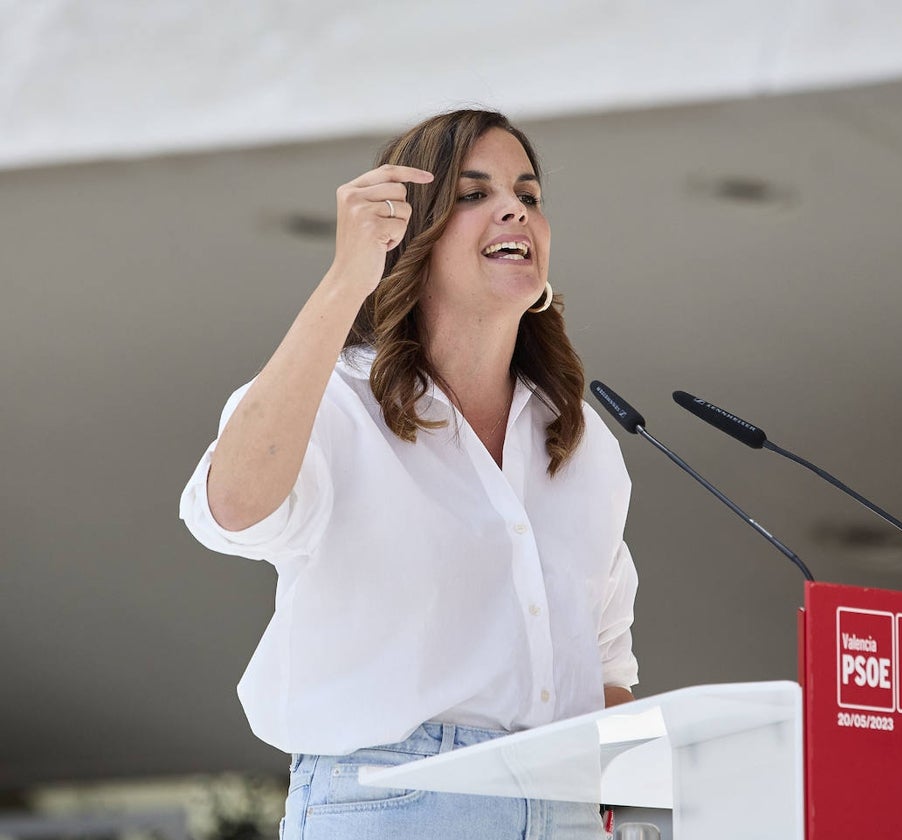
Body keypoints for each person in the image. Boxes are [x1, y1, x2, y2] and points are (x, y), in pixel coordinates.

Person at [179, 109, 638, 840]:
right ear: (408, 239)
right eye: (472, 193)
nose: (515, 206)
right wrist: (345, 280)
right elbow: (230, 510)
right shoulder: (338, 404)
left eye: (528, 192)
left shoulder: (581, 440)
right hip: (394, 803)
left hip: (570, 805)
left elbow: (607, 658)